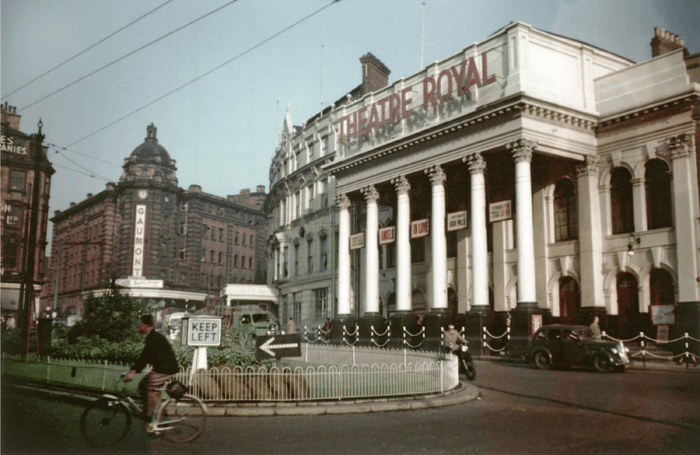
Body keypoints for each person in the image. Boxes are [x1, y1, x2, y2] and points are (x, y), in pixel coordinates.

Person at [125, 315, 179, 419]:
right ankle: (153, 411)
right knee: (145, 386)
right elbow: (145, 358)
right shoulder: (153, 337)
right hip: (164, 367)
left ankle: (152, 415)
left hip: (165, 369)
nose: (138, 327)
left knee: (149, 386)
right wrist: (133, 371)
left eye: (140, 325)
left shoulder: (153, 338)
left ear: (146, 326)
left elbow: (144, 358)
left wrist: (131, 373)